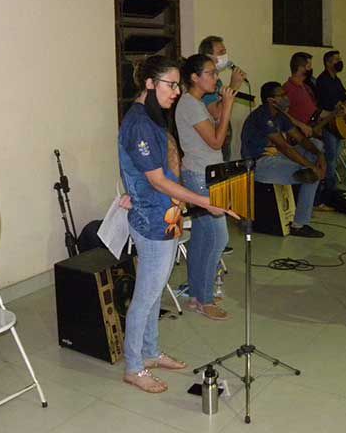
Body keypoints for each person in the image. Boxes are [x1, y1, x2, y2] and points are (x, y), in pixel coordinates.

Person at [118, 55, 236, 393]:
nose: (176, 92)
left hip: (166, 215)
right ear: (150, 84)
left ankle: (151, 351)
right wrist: (203, 201)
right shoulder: (139, 123)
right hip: (152, 220)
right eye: (171, 85)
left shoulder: (152, 115)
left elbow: (160, 167)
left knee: (156, 290)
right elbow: (156, 180)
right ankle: (134, 366)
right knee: (145, 296)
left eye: (177, 85)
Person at [176, 54, 236, 321]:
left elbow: (215, 121)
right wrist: (229, 106)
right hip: (200, 178)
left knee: (201, 238)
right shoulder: (189, 104)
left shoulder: (196, 103)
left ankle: (196, 294)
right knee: (219, 239)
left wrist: (225, 101)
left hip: (203, 174)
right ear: (194, 77)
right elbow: (216, 141)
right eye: (210, 73)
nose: (215, 77)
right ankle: (206, 299)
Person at [241, 82, 326, 238]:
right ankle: (299, 225)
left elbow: (301, 139)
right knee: (310, 174)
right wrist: (311, 166)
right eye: (282, 95)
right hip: (259, 164)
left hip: (276, 157)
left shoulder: (280, 115)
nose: (286, 98)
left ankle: (303, 196)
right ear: (271, 100)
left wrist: (320, 155)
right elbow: (284, 147)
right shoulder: (262, 116)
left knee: (316, 144)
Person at [197, 35, 247, 161]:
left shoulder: (217, 82)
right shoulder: (205, 84)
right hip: (211, 145)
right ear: (208, 57)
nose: (225, 56)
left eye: (225, 52)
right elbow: (216, 113)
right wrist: (233, 86)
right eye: (221, 52)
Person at [314, 50, 346, 207]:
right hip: (329, 123)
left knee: (335, 155)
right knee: (331, 157)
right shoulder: (323, 80)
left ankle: (333, 187)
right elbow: (327, 103)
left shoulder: (337, 80)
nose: (340, 61)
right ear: (328, 62)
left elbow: (344, 97)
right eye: (336, 59)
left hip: (338, 123)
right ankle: (329, 189)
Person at [282, 52, 318, 135]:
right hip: (300, 135)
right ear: (300, 68)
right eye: (309, 66)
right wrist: (301, 126)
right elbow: (282, 113)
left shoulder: (307, 87)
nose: (311, 69)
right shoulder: (287, 88)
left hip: (313, 130)